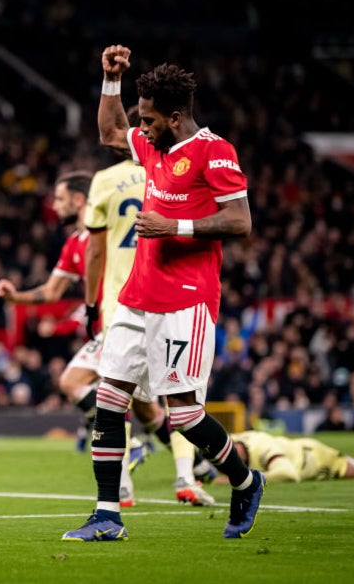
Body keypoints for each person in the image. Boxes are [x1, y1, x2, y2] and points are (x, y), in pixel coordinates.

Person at [61, 44, 264, 542]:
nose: (142, 127)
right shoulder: (151, 144)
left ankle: (244, 479)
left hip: (188, 300)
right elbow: (110, 131)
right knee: (110, 399)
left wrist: (175, 225)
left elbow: (240, 222)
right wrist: (111, 80)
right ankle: (107, 514)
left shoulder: (215, 151)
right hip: (137, 296)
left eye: (149, 119)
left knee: (185, 416)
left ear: (176, 117)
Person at [0, 170, 140, 503]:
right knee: (139, 408)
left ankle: (183, 465)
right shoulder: (75, 244)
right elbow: (52, 290)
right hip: (107, 329)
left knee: (158, 410)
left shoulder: (114, 233)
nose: (54, 206)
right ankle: (186, 469)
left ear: (78, 200)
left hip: (131, 321)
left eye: (59, 199)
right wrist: (15, 298)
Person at [83, 142, 216, 508]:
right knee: (178, 396)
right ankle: (186, 476)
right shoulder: (170, 175)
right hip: (168, 292)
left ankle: (121, 486)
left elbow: (94, 250)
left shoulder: (105, 180)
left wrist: (91, 304)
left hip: (121, 299)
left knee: (116, 392)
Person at [230, 430, 354, 482]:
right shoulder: (232, 440)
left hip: (313, 457)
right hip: (300, 447)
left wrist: (245, 479)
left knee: (352, 470)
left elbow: (289, 474)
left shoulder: (264, 450)